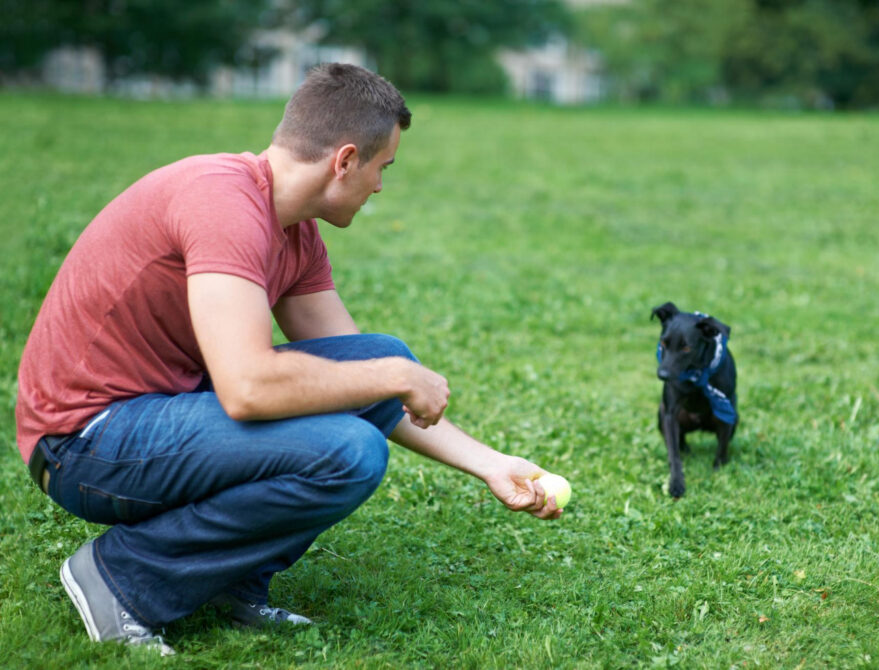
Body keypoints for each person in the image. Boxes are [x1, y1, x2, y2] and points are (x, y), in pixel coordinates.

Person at [15, 63, 562, 656]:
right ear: (345, 160)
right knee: (349, 451)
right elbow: (247, 388)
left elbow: (368, 384)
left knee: (379, 357)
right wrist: (400, 376)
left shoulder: (293, 231)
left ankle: (227, 583)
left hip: (157, 416)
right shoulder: (223, 203)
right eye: (383, 168)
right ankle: (122, 577)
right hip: (83, 442)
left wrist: (490, 464)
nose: (381, 186)